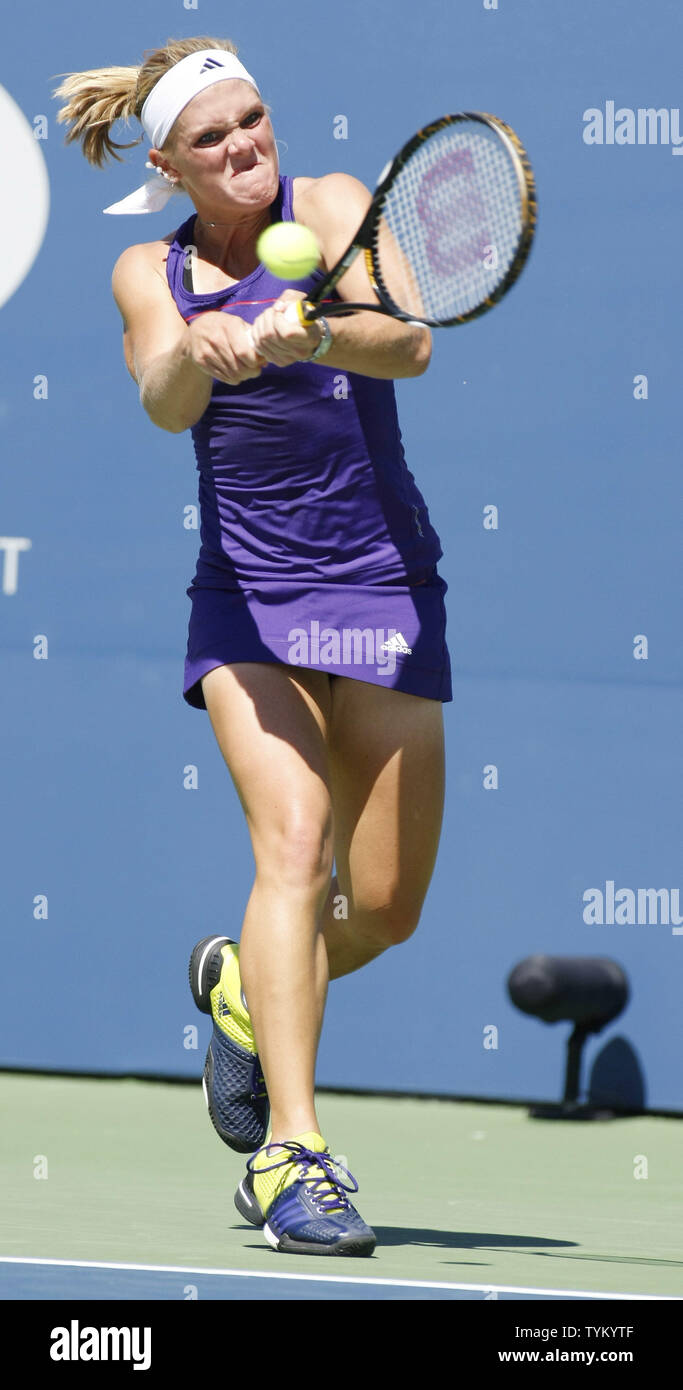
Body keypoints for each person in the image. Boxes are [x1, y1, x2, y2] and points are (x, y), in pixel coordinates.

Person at [54, 34, 452, 1257]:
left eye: (255, 119)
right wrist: (203, 346)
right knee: (293, 844)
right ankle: (294, 1155)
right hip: (249, 603)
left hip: (384, 587)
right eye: (214, 136)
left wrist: (309, 332)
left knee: (380, 909)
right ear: (170, 163)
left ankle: (238, 986)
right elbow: (160, 393)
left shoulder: (333, 206)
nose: (246, 146)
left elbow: (410, 340)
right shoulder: (146, 270)